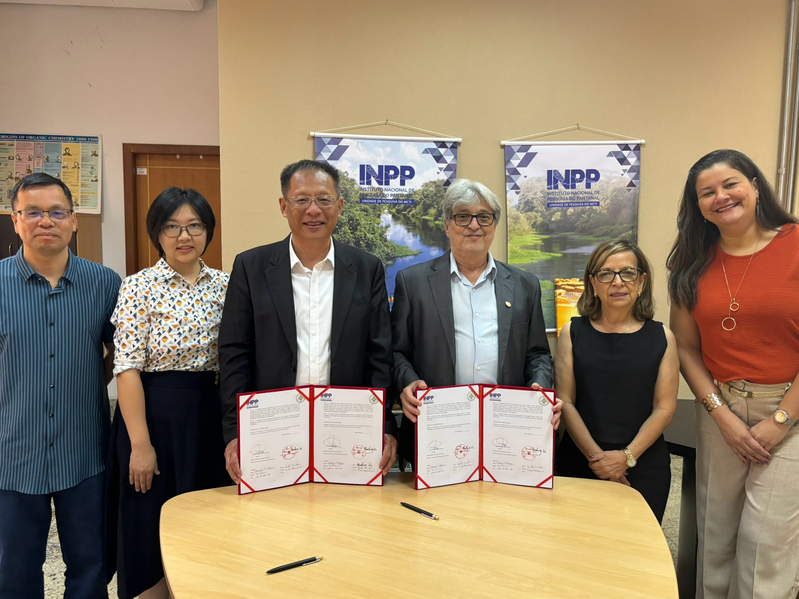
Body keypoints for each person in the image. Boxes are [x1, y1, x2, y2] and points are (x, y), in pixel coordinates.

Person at [668, 149, 799, 599]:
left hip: (790, 410)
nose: (720, 197)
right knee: (716, 537)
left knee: (765, 545)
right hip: (719, 407)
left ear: (755, 185)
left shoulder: (795, 244)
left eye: (730, 184)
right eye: (707, 192)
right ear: (698, 205)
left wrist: (781, 419)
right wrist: (721, 415)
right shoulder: (690, 260)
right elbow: (686, 346)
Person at [219, 159, 397, 483]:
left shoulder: (367, 268)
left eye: (323, 199)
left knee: (346, 512)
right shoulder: (250, 267)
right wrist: (234, 431)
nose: (313, 210)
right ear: (283, 206)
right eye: (301, 199)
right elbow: (235, 354)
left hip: (348, 428)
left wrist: (384, 425)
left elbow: (379, 355)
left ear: (339, 206)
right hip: (272, 425)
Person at [0, 173, 120, 598]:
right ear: (15, 220)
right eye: (33, 212)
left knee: (91, 569)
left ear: (74, 220)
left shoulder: (105, 283)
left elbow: (121, 356)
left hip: (84, 452)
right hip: (12, 456)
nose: (46, 221)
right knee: (13, 575)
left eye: (57, 212)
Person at [108, 187, 229, 599]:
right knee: (150, 524)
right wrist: (140, 445)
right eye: (172, 227)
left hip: (209, 421)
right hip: (153, 420)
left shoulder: (226, 285)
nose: (184, 236)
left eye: (195, 226)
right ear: (156, 233)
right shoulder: (139, 286)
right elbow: (126, 368)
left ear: (208, 231)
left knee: (207, 521)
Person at [391, 178, 559, 467]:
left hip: (505, 430)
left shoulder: (525, 285)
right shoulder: (413, 282)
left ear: (494, 225)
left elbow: (538, 354)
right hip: (436, 428)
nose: (474, 225)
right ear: (447, 225)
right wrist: (406, 381)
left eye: (484, 217)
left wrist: (540, 385)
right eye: (463, 216)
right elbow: (396, 351)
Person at [555, 239, 678, 522]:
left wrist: (625, 457)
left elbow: (664, 408)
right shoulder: (572, 332)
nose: (618, 282)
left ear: (642, 281)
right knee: (578, 541)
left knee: (638, 544)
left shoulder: (663, 337)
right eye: (606, 274)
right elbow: (566, 401)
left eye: (628, 273)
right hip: (581, 461)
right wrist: (599, 460)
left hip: (642, 463)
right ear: (593, 284)